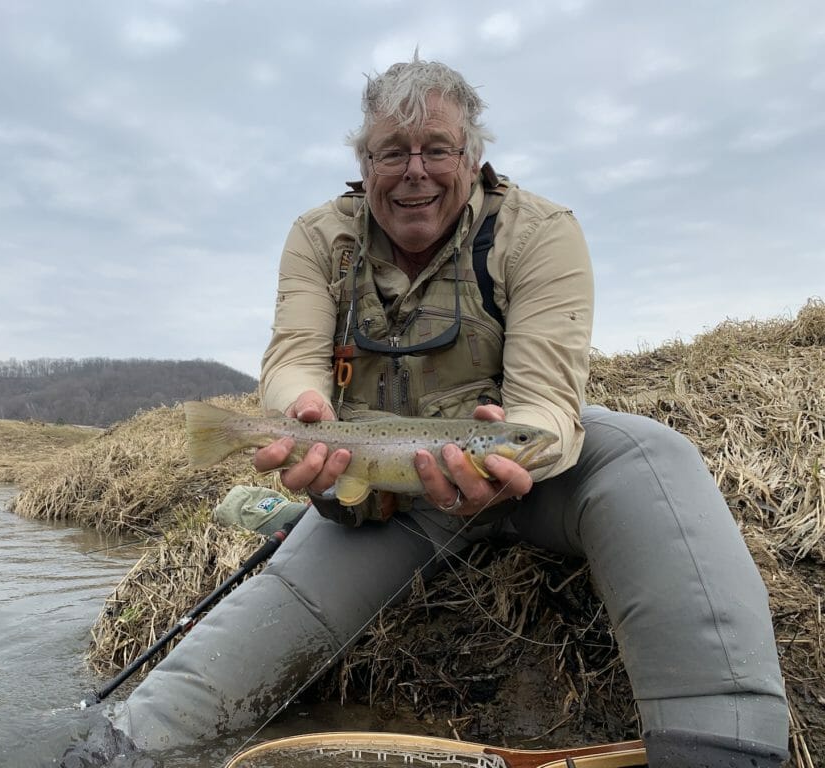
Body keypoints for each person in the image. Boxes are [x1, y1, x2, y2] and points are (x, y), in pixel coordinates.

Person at [84, 57, 789, 768]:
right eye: (393, 151)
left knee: (651, 454)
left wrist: (516, 447)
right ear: (365, 162)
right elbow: (294, 351)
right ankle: (115, 754)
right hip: (384, 494)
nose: (414, 170)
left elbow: (547, 398)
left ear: (472, 156)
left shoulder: (541, 231)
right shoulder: (319, 236)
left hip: (534, 479)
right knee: (187, 701)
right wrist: (304, 413)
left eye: (437, 149)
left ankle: (730, 748)